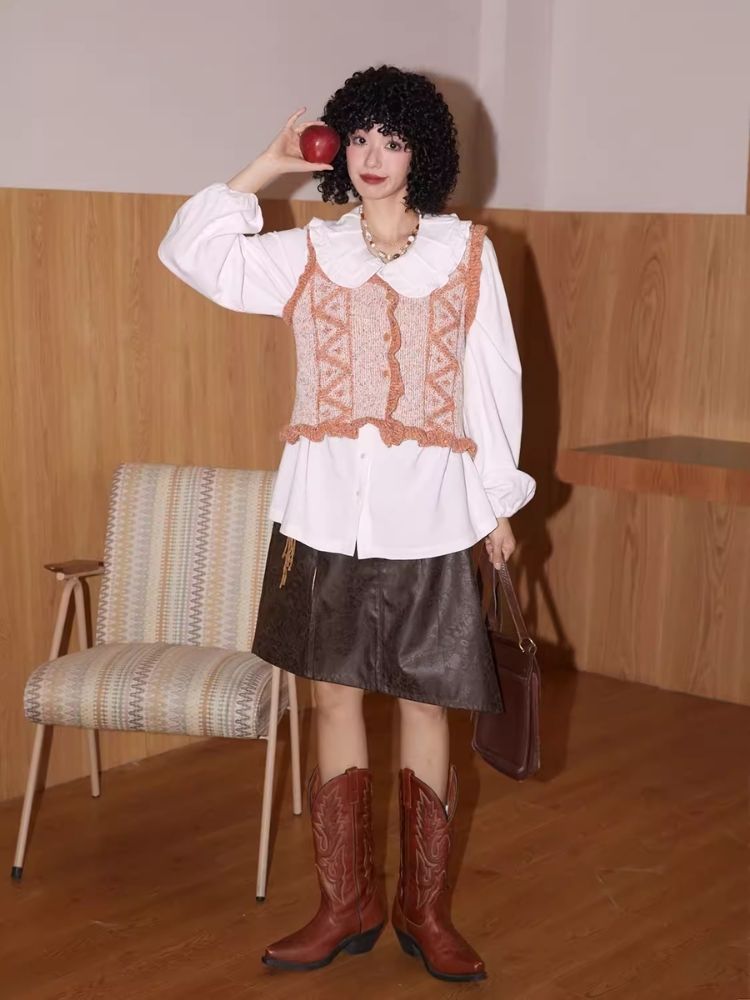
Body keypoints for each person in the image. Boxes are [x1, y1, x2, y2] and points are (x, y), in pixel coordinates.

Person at [158, 64, 535, 983]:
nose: (371, 156)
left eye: (391, 140)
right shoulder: (310, 251)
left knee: (425, 704)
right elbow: (193, 252)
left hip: (429, 513)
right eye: (359, 137)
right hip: (323, 512)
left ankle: (424, 910)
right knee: (331, 699)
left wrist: (497, 501)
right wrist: (268, 164)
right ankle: (345, 903)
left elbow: (495, 380)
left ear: (421, 153)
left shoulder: (467, 254)